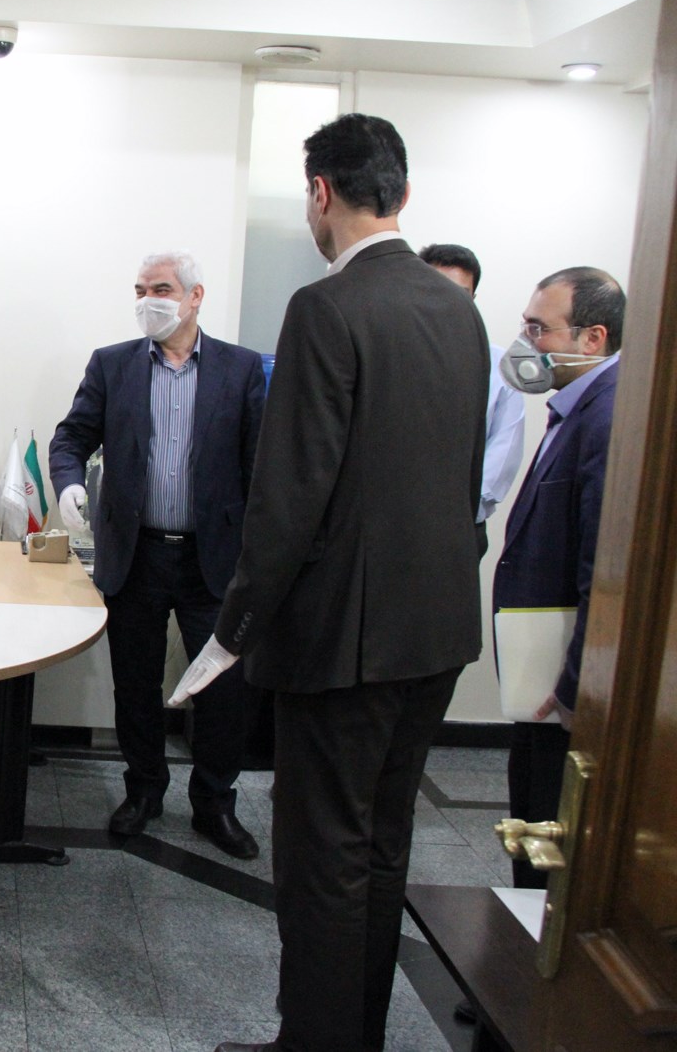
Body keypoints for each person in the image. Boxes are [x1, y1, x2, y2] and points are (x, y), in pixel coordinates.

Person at [169, 115, 491, 1052]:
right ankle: (355, 1036)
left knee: (321, 858)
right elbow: (460, 472)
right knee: (382, 843)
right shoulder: (458, 309)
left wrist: (230, 633)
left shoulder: (327, 307)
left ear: (321, 192)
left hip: (344, 641)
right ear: (401, 191)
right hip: (436, 632)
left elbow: (289, 496)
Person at [48, 250, 265, 857]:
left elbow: (262, 463)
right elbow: (70, 438)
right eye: (140, 289)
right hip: (137, 554)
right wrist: (68, 483)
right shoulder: (112, 364)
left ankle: (214, 803)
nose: (149, 300)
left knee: (222, 689)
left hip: (213, 559)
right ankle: (143, 790)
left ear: (195, 297)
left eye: (162, 288)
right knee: (135, 684)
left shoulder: (241, 368)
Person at [494, 266, 621, 889]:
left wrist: (576, 683)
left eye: (539, 329)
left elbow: (603, 569)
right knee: (530, 813)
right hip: (543, 676)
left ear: (592, 338)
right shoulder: (574, 407)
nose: (527, 343)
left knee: (548, 832)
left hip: (561, 688)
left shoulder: (607, 416)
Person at [418, 243, 526, 554]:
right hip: (390, 523)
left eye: (459, 295)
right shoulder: (391, 354)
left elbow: (503, 453)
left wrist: (454, 514)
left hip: (461, 525)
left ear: (473, 300)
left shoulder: (501, 367)